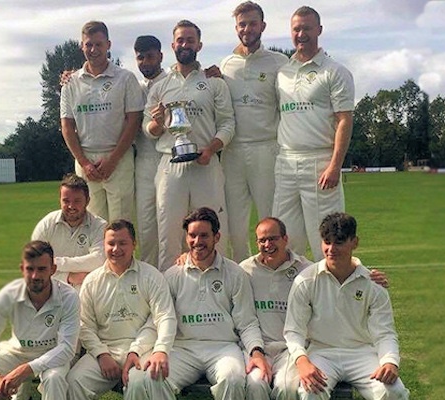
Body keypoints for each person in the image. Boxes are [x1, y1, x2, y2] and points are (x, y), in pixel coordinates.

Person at [240, 217, 389, 400]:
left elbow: (336, 270)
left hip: (291, 349)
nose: (267, 244)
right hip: (258, 346)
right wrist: (256, 351)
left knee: (286, 388)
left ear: (285, 239)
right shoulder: (244, 270)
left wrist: (367, 275)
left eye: (273, 238)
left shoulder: (305, 270)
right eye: (262, 240)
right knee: (256, 384)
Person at [284, 213, 410, 400]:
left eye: (339, 242)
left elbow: (385, 333)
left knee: (394, 392)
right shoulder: (306, 280)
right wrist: (302, 361)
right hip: (321, 353)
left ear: (355, 242)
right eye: (327, 242)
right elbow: (293, 330)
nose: (331, 249)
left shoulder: (373, 284)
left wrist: (390, 362)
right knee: (310, 392)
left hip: (362, 353)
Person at [144, 20, 235, 271]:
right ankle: (169, 289)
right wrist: (157, 123)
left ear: (199, 45)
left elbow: (228, 123)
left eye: (190, 40)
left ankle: (217, 284)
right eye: (180, 40)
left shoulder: (214, 82)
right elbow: (148, 130)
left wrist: (211, 149)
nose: (185, 45)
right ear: (173, 45)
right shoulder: (161, 85)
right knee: (169, 233)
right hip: (170, 164)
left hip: (206, 163)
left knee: (213, 230)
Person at [162, 207, 271, 399]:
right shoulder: (172, 276)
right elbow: (163, 320)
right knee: (150, 379)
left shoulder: (235, 273)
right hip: (183, 349)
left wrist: (256, 352)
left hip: (223, 348)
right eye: (192, 235)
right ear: (186, 237)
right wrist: (159, 351)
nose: (197, 241)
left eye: (204, 235)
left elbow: (247, 322)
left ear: (217, 237)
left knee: (233, 379)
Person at [273, 6, 355, 261]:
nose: (301, 34)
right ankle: (292, 288)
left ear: (319, 30)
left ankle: (330, 287)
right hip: (286, 161)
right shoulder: (283, 72)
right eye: (296, 29)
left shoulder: (335, 71)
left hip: (320, 163)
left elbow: (344, 120)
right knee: (285, 241)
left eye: (307, 28)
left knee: (328, 240)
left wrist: (335, 165)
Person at [66, 219, 177, 400]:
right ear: (104, 245)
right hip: (105, 351)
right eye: (111, 243)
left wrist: (144, 350)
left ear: (134, 244)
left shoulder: (151, 276)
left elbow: (164, 317)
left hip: (143, 350)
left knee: (139, 382)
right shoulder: (92, 281)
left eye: (122, 243)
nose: (116, 249)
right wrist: (101, 354)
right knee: (74, 381)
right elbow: (84, 325)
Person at [0, 241, 80, 400]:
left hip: (52, 355)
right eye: (30, 269)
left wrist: (26, 369)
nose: (35, 276)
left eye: (41, 269)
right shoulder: (9, 294)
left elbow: (67, 348)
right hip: (16, 353)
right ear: (22, 269)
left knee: (54, 379)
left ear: (53, 269)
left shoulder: (69, 297)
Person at [220, 1, 290, 262]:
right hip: (233, 151)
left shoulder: (279, 62)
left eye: (252, 23)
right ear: (236, 28)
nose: (247, 29)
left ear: (263, 26)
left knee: (270, 220)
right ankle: (241, 275)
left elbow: (286, 109)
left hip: (266, 148)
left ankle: (275, 272)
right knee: (234, 226)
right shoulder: (225, 64)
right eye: (242, 24)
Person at [60, 20, 144, 222]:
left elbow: (133, 121)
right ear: (81, 46)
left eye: (98, 44)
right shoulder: (70, 82)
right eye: (88, 44)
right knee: (92, 225)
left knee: (121, 225)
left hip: (119, 158)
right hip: (86, 161)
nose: (93, 50)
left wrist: (113, 160)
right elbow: (67, 126)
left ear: (108, 45)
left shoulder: (125, 78)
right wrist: (84, 163)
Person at [31, 173, 107, 290]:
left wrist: (56, 263)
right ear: (60, 200)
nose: (71, 206)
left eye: (77, 201)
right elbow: (34, 265)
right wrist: (68, 277)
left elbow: (98, 260)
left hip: (88, 291)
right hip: (52, 292)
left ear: (87, 201)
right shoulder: (46, 225)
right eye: (66, 201)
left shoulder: (99, 226)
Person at [133, 35, 168, 267]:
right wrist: (70, 77)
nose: (145, 62)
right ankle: (149, 277)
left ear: (161, 56)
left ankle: (177, 277)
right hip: (143, 161)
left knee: (170, 223)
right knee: (146, 227)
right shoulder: (134, 87)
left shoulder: (173, 81)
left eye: (150, 56)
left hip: (168, 157)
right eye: (140, 58)